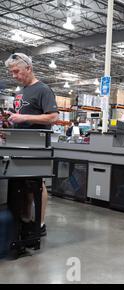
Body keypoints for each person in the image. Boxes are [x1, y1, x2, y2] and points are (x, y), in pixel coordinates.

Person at [4, 53, 59, 236]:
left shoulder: (43, 90)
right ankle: (26, 220)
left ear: (28, 68)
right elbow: (20, 117)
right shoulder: (20, 92)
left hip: (36, 146)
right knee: (23, 186)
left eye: (17, 71)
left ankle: (40, 224)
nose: (14, 76)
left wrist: (24, 117)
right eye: (11, 72)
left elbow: (53, 117)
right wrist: (9, 120)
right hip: (19, 144)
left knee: (37, 184)